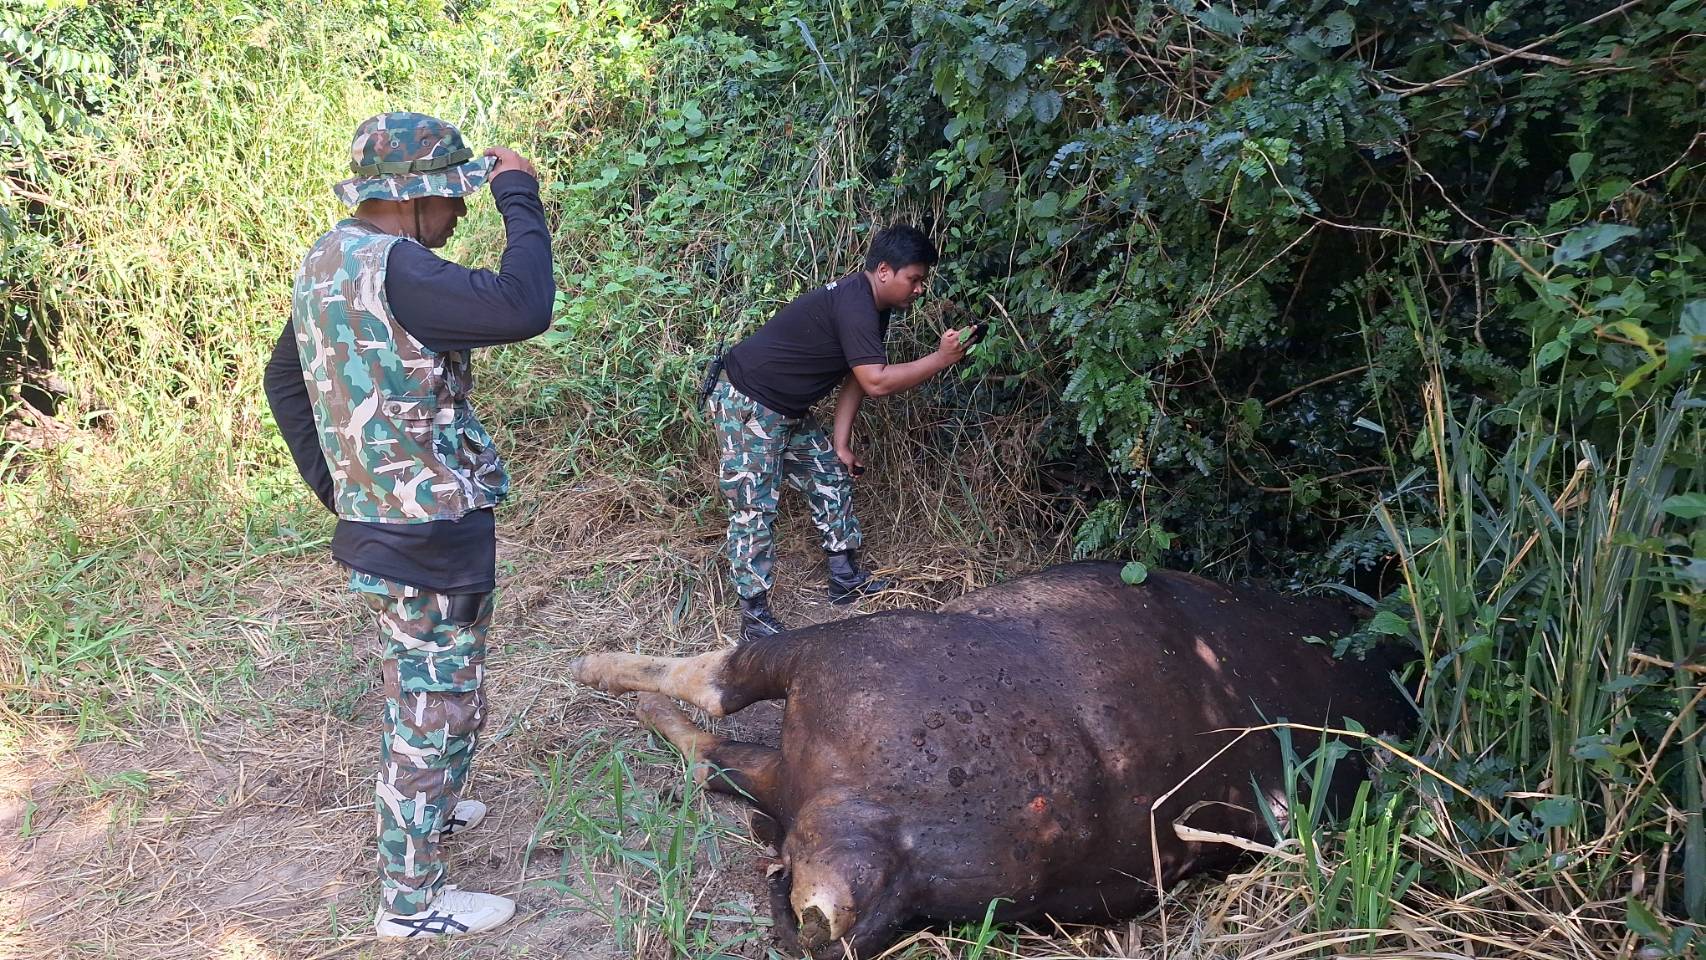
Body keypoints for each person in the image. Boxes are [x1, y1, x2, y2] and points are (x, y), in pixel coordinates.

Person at [263, 112, 552, 938]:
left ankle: (439, 805)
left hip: (386, 525)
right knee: (436, 697)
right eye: (452, 197)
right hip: (428, 533)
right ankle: (411, 903)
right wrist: (518, 194)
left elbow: (283, 381)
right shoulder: (402, 268)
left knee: (430, 680)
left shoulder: (326, 260)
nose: (461, 213)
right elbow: (524, 303)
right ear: (414, 196)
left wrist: (342, 488)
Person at [709, 224, 972, 643]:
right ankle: (754, 616)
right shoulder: (855, 303)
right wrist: (941, 359)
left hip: (787, 408)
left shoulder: (874, 307)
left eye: (922, 280)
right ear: (884, 270)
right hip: (749, 402)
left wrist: (841, 442)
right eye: (914, 279)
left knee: (831, 473)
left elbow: (856, 376)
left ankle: (843, 577)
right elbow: (876, 382)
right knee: (753, 507)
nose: (919, 289)